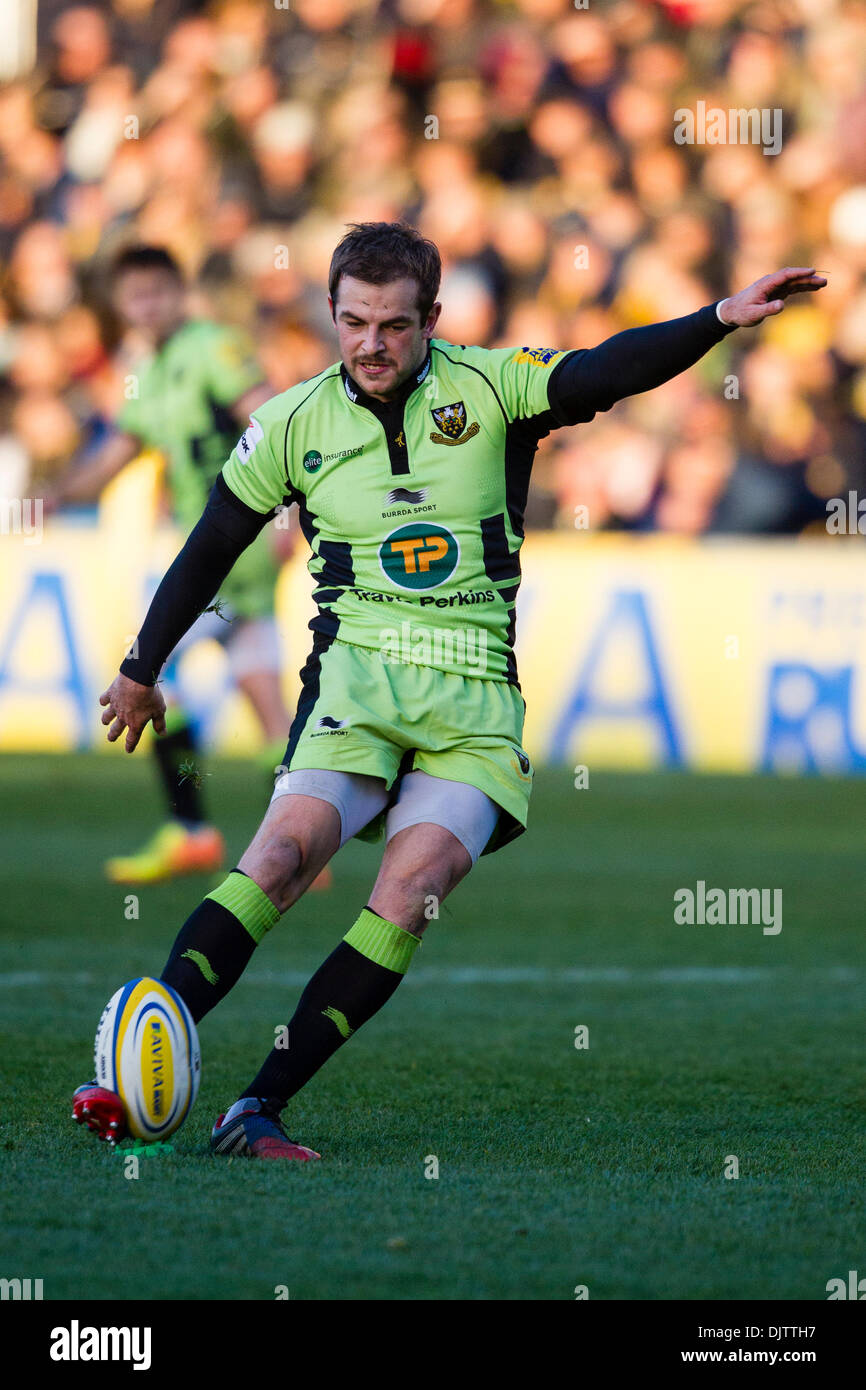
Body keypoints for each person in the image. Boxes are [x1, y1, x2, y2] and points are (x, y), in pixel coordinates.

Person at [72, 221, 825, 1159]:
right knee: (283, 855)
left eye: (393, 324)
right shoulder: (294, 423)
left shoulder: (493, 388)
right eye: (353, 322)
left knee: (412, 887)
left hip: (474, 704)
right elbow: (211, 544)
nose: (371, 345)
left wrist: (716, 318)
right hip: (357, 682)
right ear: (332, 316)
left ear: (431, 317)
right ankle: (141, 1053)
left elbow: (604, 370)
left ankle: (256, 1109)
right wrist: (141, 667)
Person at [46, 245, 323, 888]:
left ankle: (192, 829)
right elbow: (116, 455)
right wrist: (57, 494)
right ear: (121, 305)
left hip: (228, 552)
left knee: (149, 666)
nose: (147, 305)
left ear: (180, 291)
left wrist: (287, 515)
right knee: (265, 699)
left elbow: (272, 420)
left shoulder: (211, 349)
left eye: (157, 291)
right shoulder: (155, 369)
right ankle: (302, 839)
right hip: (227, 553)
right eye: (135, 295)